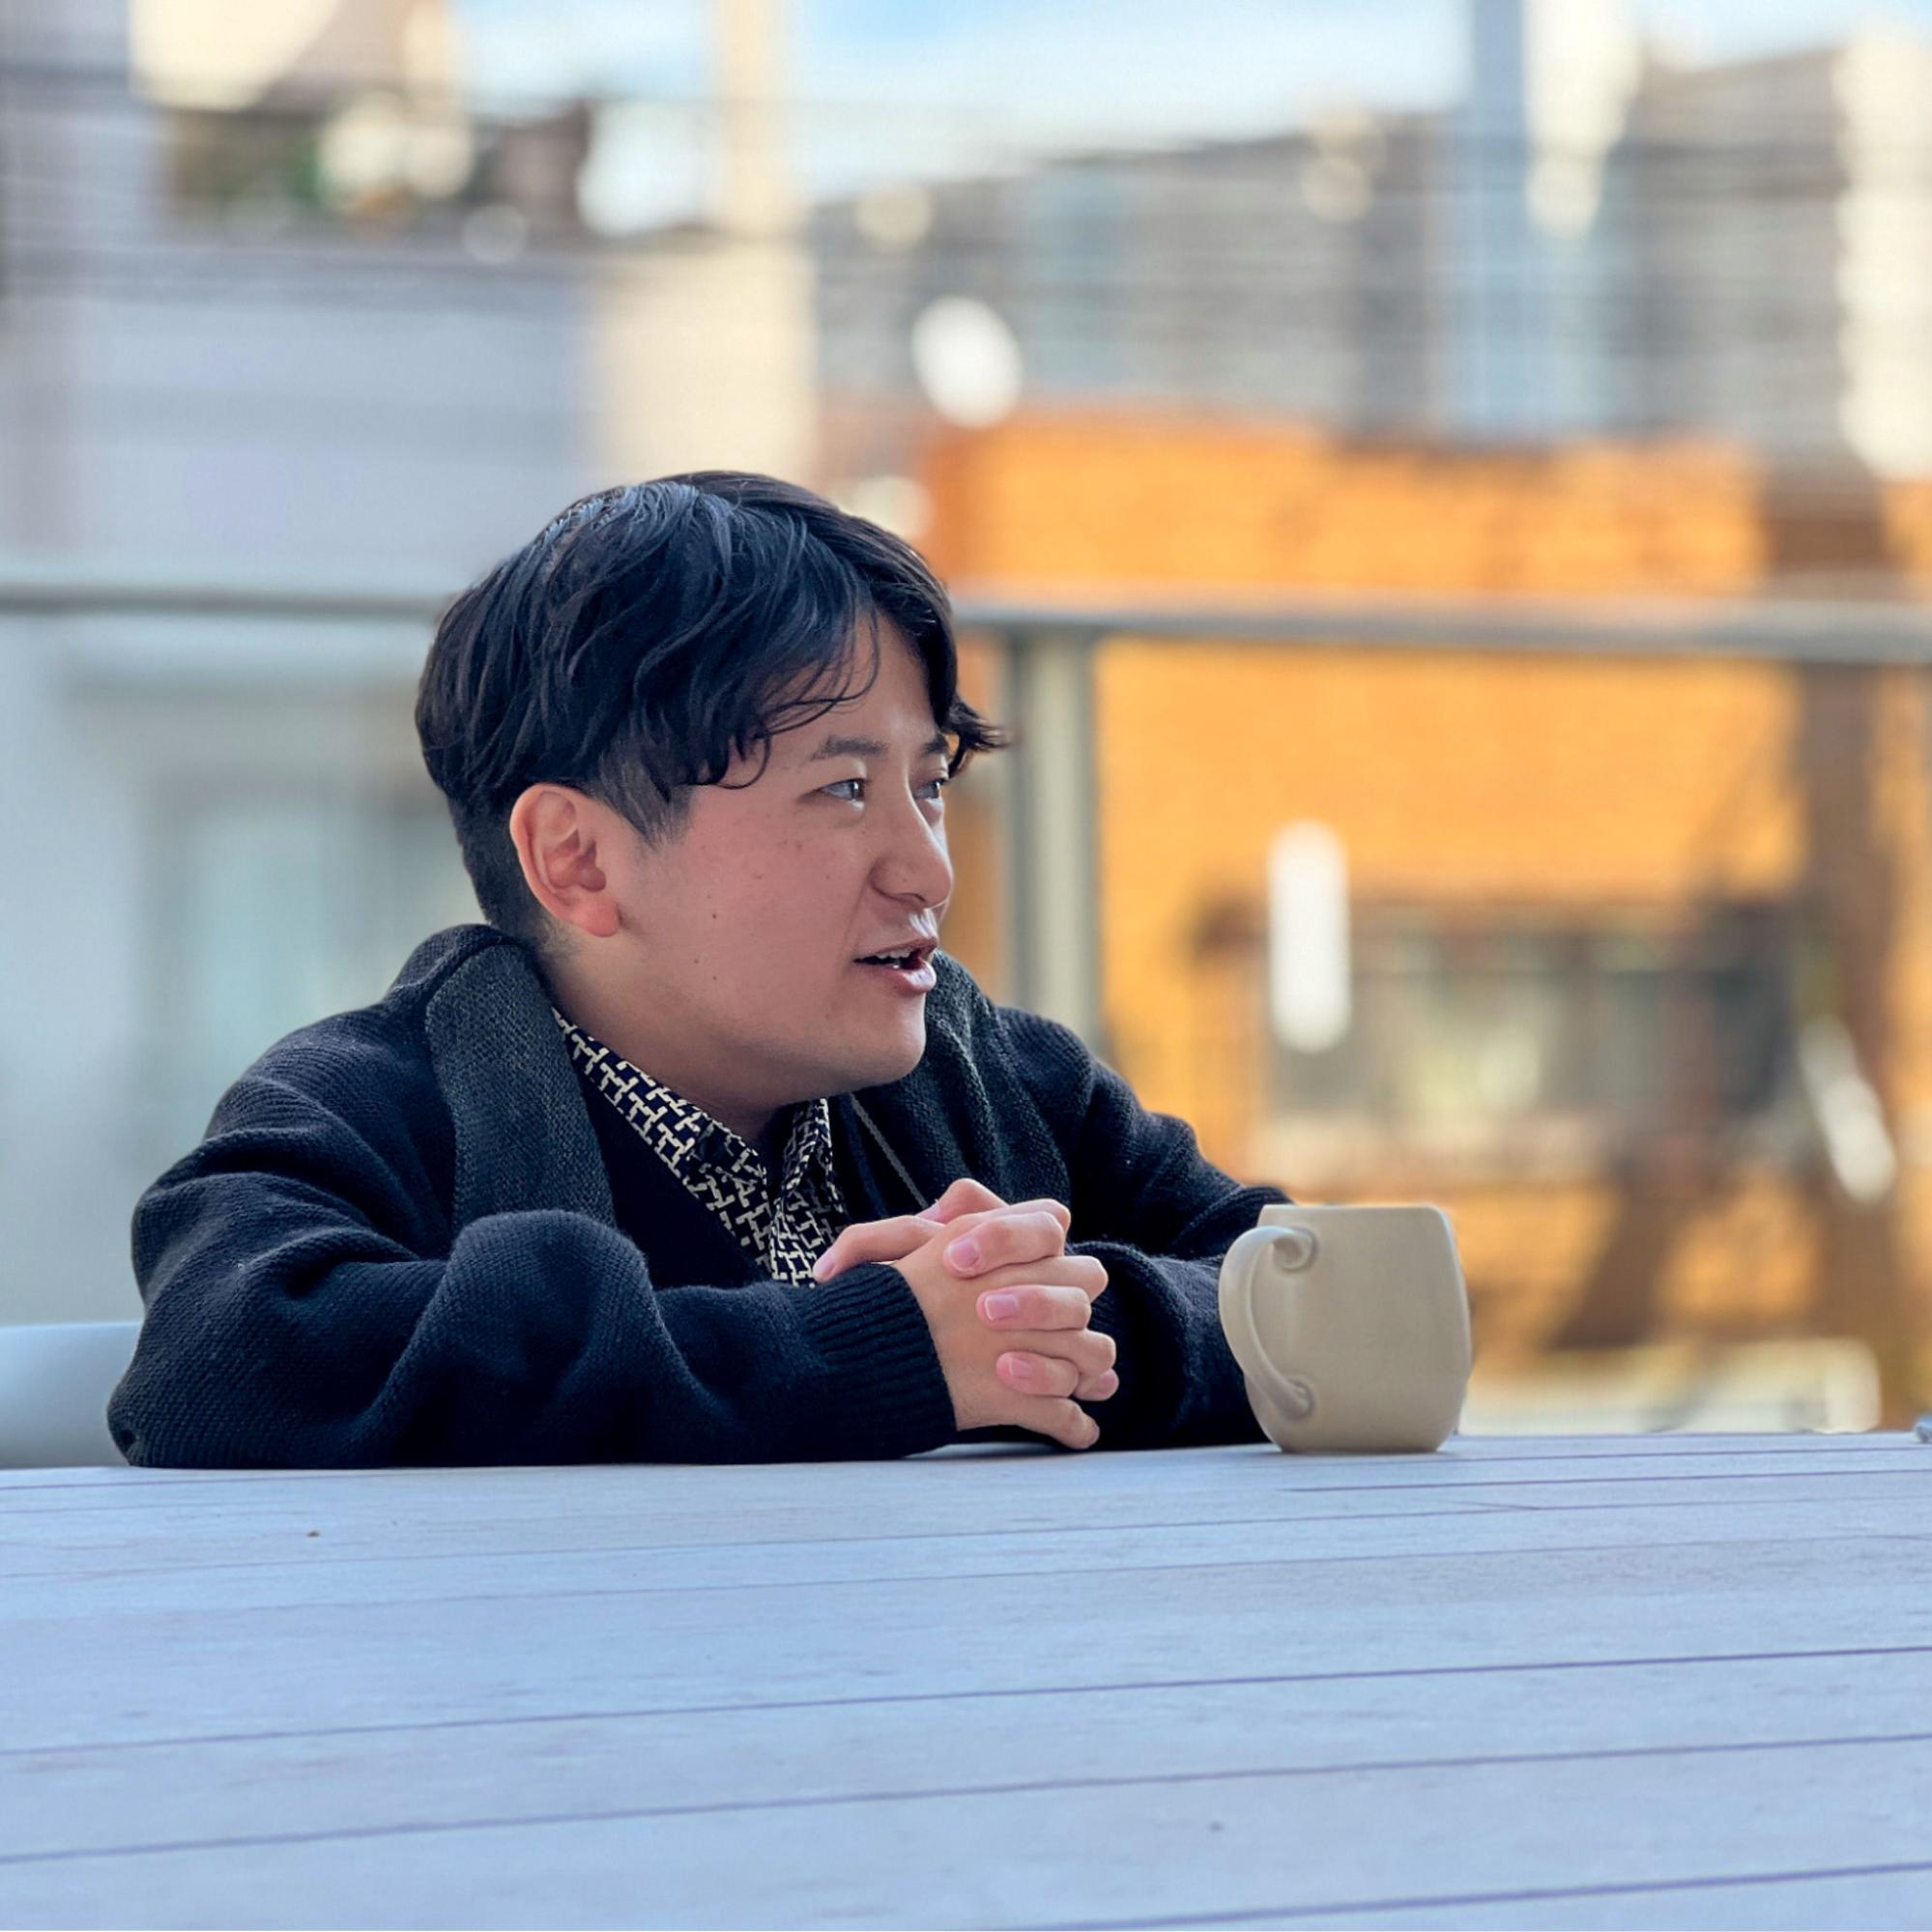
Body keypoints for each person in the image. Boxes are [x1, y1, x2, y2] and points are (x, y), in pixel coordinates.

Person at [109, 474, 1285, 1467]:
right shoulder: (375, 1102)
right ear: (577, 858)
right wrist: (873, 1350)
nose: (929, 869)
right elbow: (220, 1362)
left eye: (929, 784)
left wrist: (1050, 1322)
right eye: (842, 789)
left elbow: (1302, 1286)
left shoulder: (997, 1074)